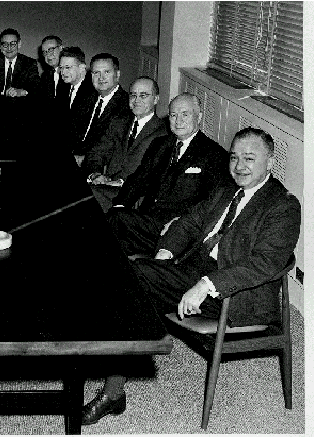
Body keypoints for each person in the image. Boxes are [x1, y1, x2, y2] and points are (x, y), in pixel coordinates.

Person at [81, 127, 301, 426]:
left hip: (232, 296)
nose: (239, 167)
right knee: (128, 274)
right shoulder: (227, 190)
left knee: (131, 278)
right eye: (234, 158)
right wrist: (165, 253)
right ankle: (106, 358)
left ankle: (112, 392)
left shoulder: (284, 206)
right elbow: (188, 222)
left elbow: (265, 263)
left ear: (270, 162)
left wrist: (207, 285)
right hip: (192, 268)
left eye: (249, 159)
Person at [106, 92, 230, 257]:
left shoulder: (214, 155)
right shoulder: (160, 145)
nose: (178, 120)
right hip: (146, 221)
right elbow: (138, 180)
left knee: (113, 225)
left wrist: (180, 222)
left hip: (176, 231)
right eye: (173, 115)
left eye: (185, 114)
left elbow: (211, 205)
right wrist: (120, 205)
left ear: (198, 117)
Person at [86, 77, 168, 211]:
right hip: (105, 187)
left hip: (133, 195)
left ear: (156, 99)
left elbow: (153, 175)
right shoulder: (119, 123)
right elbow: (97, 152)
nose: (137, 101)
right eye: (133, 95)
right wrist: (95, 174)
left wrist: (119, 182)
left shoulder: (163, 132)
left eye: (143, 95)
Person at [0, 28, 40, 142]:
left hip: (20, 116)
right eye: (5, 44)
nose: (9, 48)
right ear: (0, 46)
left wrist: (21, 91)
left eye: (13, 44)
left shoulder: (29, 63)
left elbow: (36, 89)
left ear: (19, 44)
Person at [72, 53, 131, 167]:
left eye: (107, 72)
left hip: (99, 169)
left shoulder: (127, 105)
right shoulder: (85, 100)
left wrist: (84, 160)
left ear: (117, 75)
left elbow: (115, 148)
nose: (101, 78)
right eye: (96, 73)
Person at [37, 35, 66, 105]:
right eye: (45, 52)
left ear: (61, 48)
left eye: (51, 50)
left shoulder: (71, 73)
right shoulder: (45, 76)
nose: (48, 55)